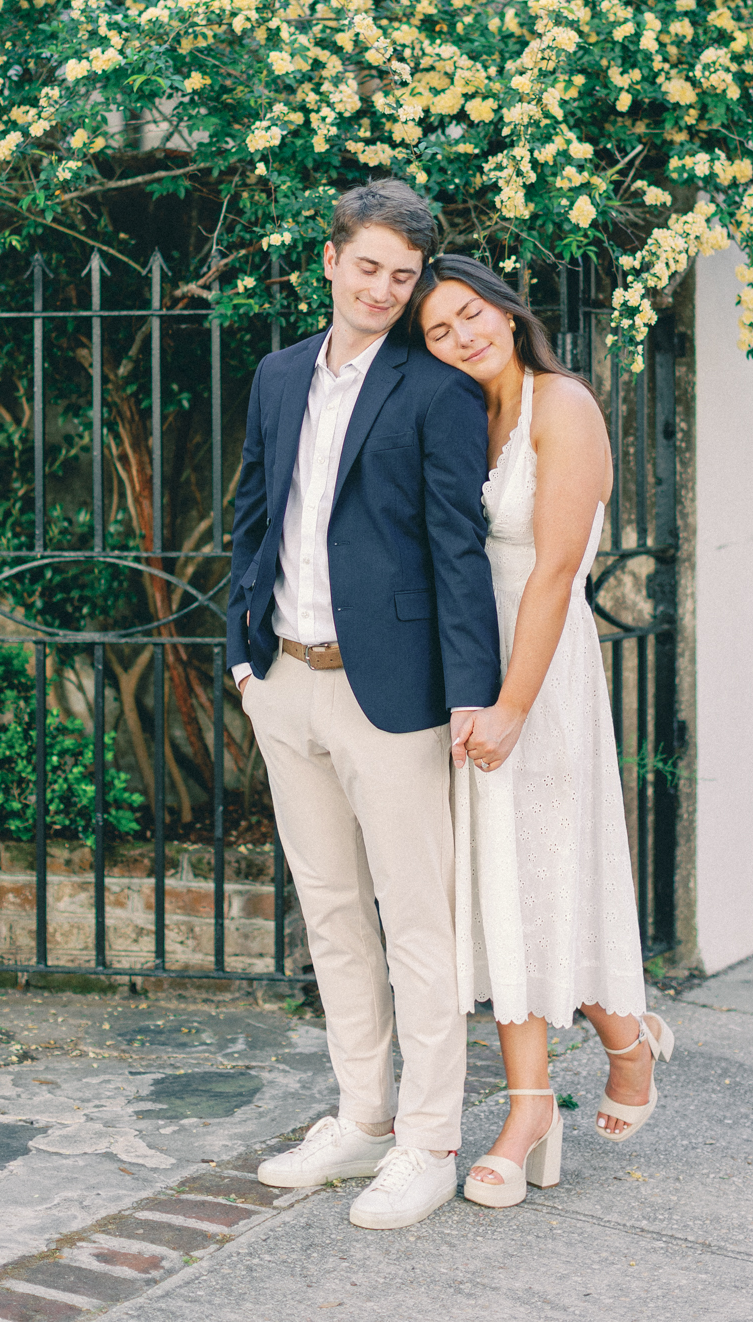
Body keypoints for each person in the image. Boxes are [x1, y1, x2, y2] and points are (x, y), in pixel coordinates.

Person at [227, 183, 501, 1230]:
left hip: (392, 696)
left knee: (416, 920)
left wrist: (472, 692)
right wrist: (244, 661)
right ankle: (363, 1118)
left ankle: (431, 1140)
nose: (384, 289)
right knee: (332, 912)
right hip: (284, 682)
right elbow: (254, 515)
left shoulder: (436, 390)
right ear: (331, 261)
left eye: (404, 275)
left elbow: (455, 552)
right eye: (369, 267)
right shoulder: (278, 373)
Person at [412, 254, 674, 1210]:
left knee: (550, 874)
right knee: (497, 891)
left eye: (470, 315)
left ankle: (625, 1040)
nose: (461, 337)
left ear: (509, 311)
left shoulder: (562, 406)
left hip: (542, 674)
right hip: (473, 676)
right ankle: (530, 1111)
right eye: (438, 331)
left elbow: (556, 572)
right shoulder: (460, 418)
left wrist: (514, 703)